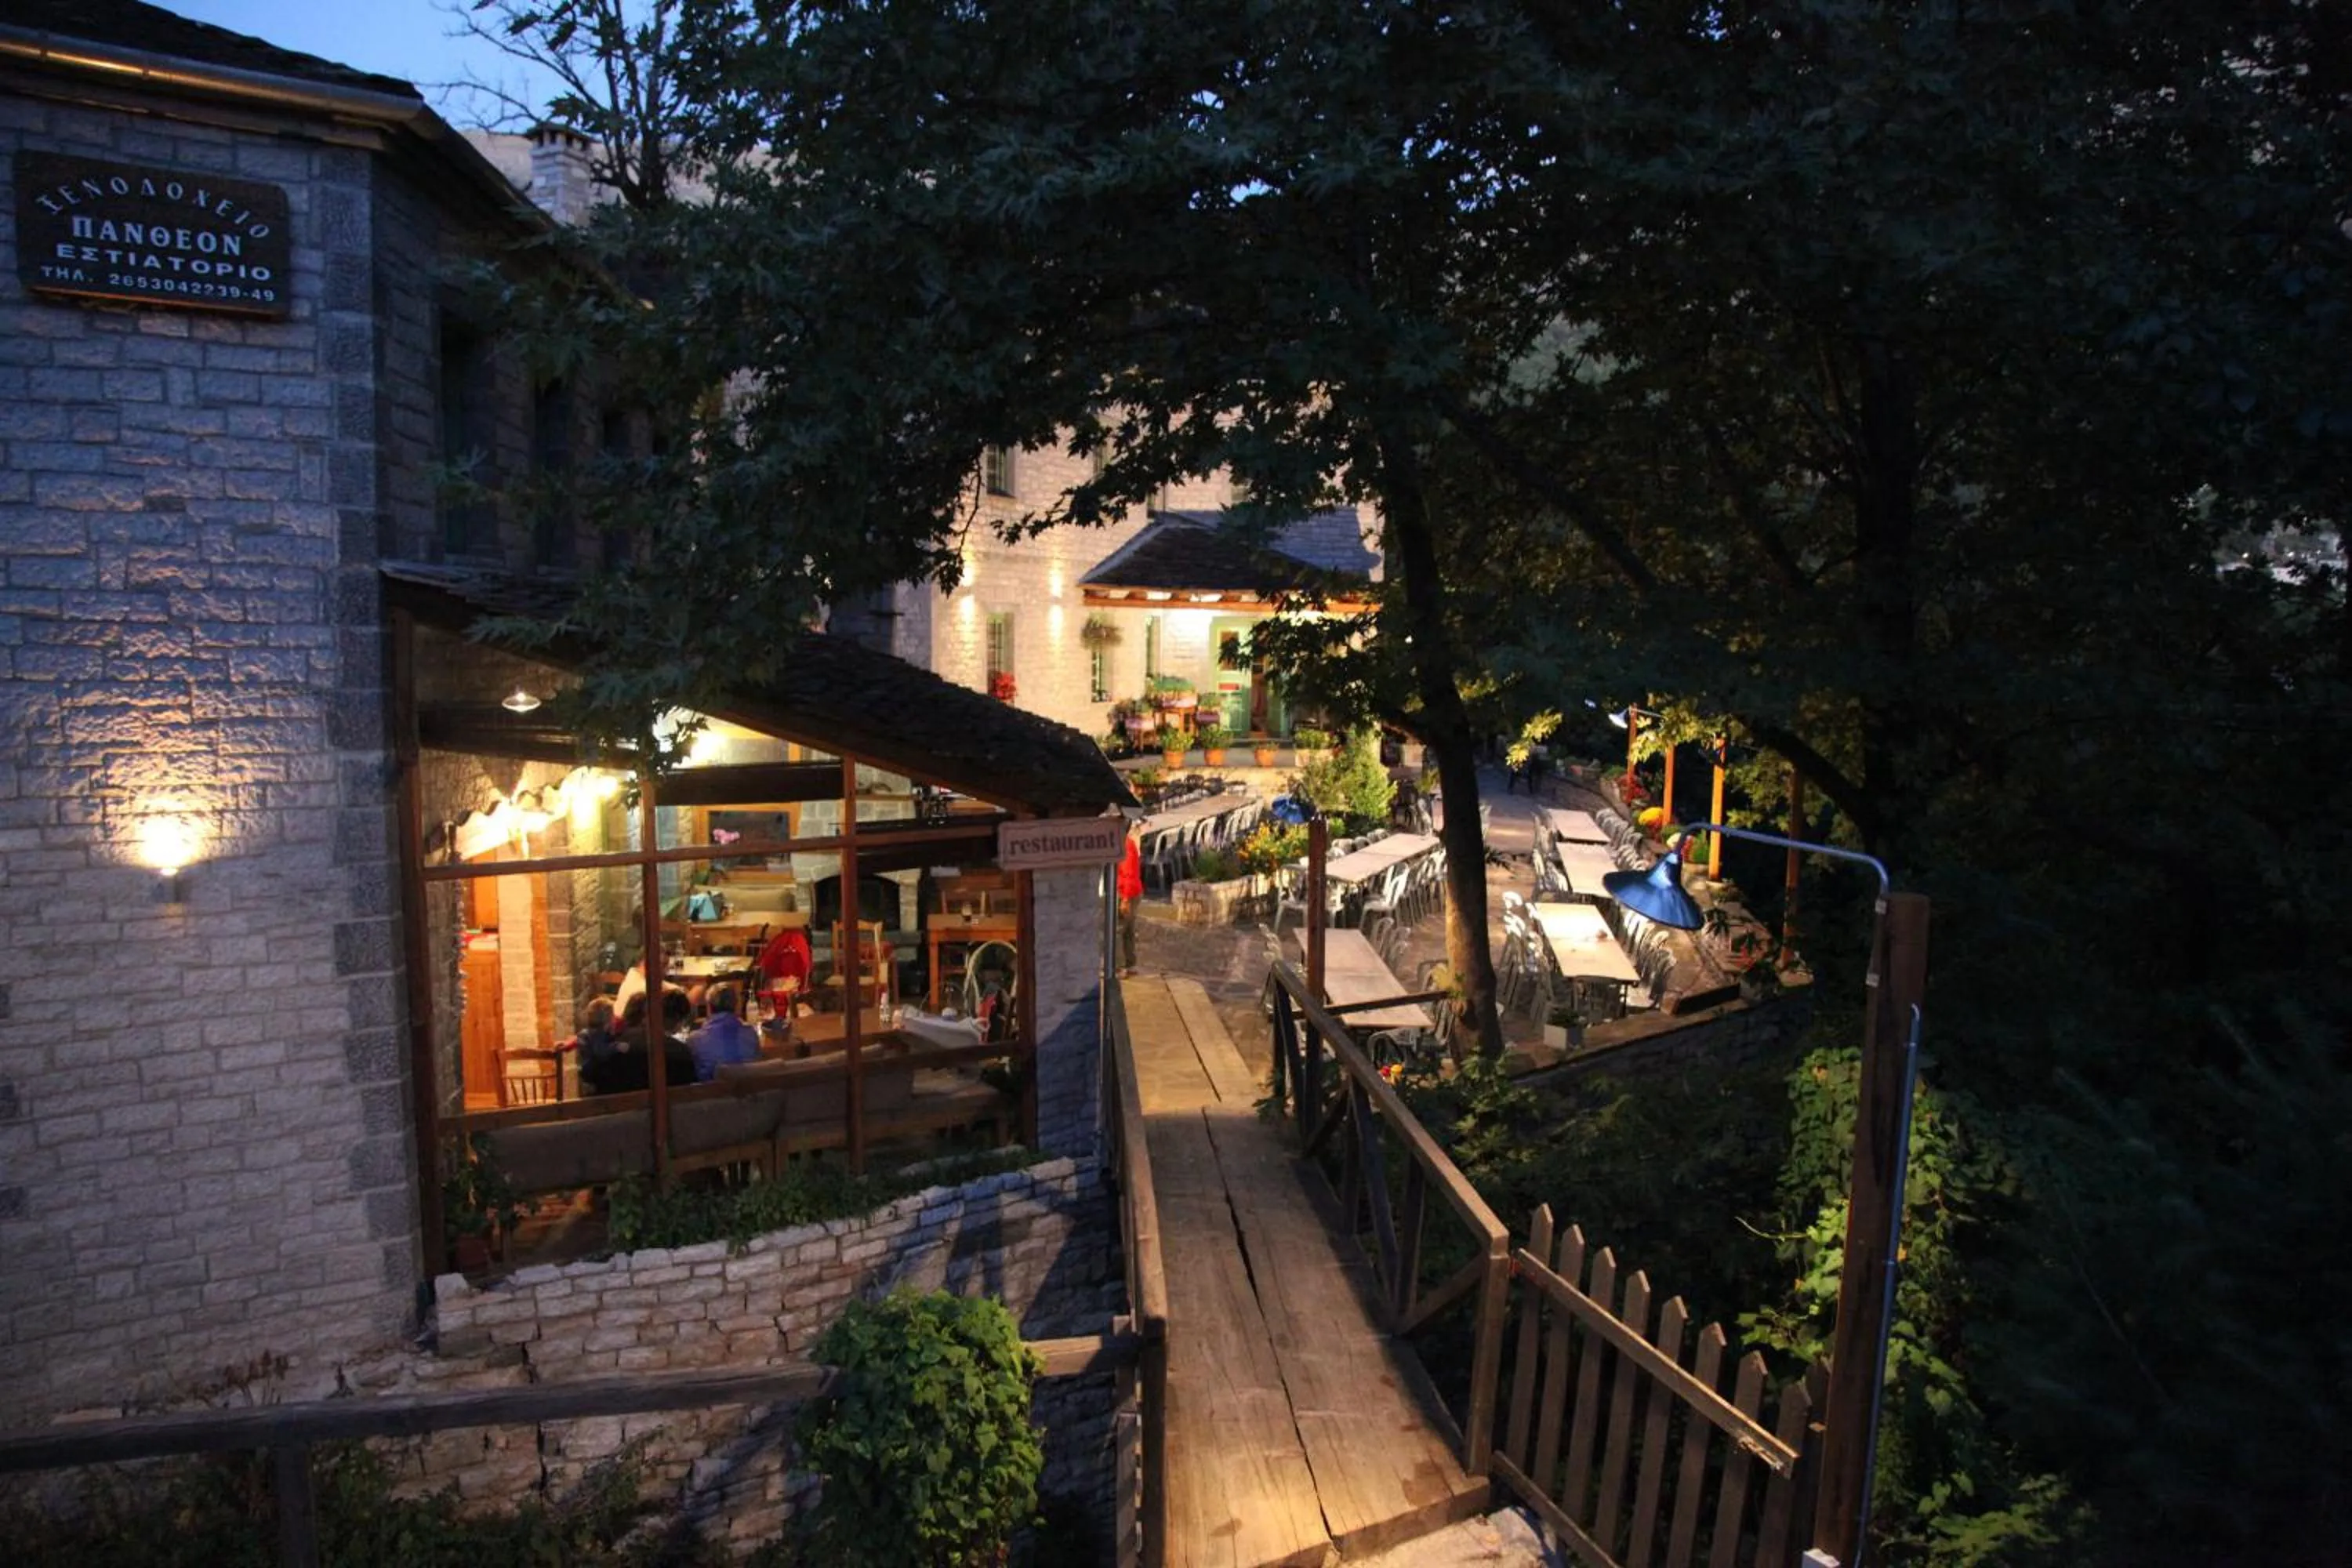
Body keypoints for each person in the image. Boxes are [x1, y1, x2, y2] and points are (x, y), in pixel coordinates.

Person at [689, 985, 762, 1081]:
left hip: (710, 1094)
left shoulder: (695, 1040)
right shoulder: (751, 1034)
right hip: (747, 1093)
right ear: (736, 1006)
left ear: (709, 1007)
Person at [1116, 821, 1144, 978]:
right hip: (1134, 890)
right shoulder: (1129, 843)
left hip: (1127, 892)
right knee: (1128, 930)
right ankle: (1130, 964)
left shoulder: (1123, 846)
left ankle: (1120, 967)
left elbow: (1127, 874)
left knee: (1119, 930)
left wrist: (1125, 899)